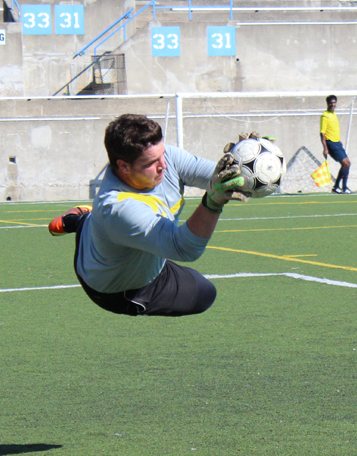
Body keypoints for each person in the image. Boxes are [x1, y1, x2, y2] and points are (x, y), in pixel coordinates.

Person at [48, 113, 250, 317]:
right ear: (124, 166)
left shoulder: (166, 157)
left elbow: (219, 179)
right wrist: (212, 203)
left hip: (116, 234)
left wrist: (249, 162)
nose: (163, 165)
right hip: (117, 288)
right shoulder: (119, 208)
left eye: (162, 154)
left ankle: (84, 219)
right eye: (151, 162)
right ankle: (83, 220)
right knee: (205, 293)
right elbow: (185, 248)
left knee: (106, 224)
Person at [319, 94, 352, 194]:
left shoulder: (334, 115)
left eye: (334, 103)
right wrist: (325, 148)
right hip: (331, 143)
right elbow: (322, 133)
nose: (332, 105)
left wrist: (338, 140)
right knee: (345, 164)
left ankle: (338, 187)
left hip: (337, 142)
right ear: (327, 103)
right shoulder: (325, 116)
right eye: (331, 103)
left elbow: (333, 129)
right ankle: (342, 187)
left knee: (347, 164)